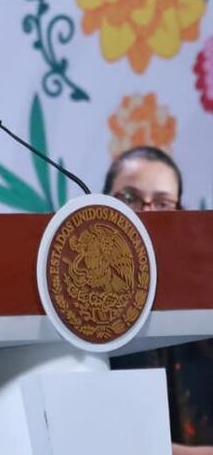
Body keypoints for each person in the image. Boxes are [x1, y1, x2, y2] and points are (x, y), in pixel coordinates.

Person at [104, 146, 213, 455]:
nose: (147, 215)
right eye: (130, 198)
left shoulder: (204, 304)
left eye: (163, 202)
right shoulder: (80, 307)